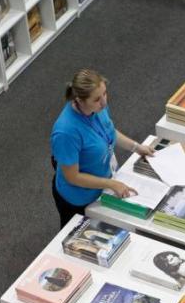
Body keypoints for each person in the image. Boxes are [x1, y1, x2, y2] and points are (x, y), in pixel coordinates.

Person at [50, 69, 154, 228]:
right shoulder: (66, 132)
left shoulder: (98, 107)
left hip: (102, 183)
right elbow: (73, 177)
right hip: (77, 197)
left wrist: (137, 147)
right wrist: (111, 184)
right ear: (79, 100)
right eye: (97, 99)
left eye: (105, 93)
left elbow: (109, 131)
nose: (104, 102)